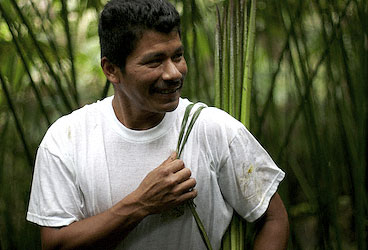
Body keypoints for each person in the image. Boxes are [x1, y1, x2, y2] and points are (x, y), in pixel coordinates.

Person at [26, 0, 289, 249]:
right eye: (154, 61)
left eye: (177, 56)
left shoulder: (214, 130)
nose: (173, 73)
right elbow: (55, 243)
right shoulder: (66, 139)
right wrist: (141, 203)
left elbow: (274, 219)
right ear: (111, 70)